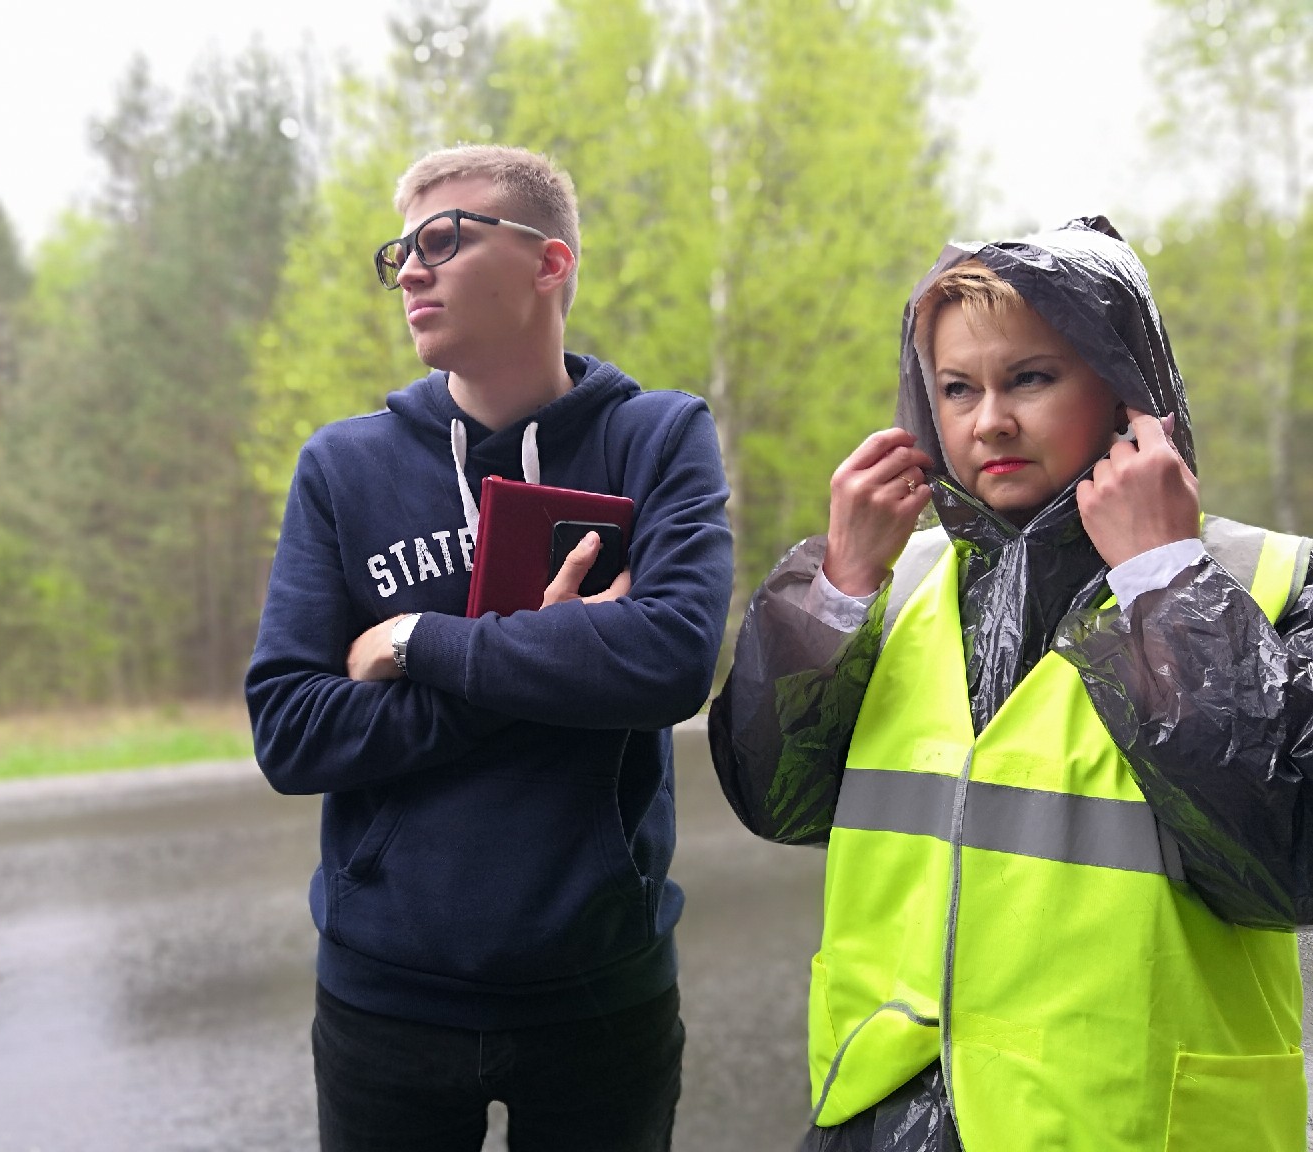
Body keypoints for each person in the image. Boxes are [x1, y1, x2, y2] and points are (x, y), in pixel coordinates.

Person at [709, 217, 1312, 1152]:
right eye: (956, 388)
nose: (987, 420)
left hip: (1131, 1123)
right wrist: (833, 589)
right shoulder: (892, 584)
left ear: (1128, 395)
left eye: (1029, 378)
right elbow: (772, 799)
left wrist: (1166, 585)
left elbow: (1286, 859)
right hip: (887, 1114)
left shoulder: (1264, 582)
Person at [246, 144, 733, 1152]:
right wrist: (558, 652)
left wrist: (417, 640)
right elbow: (292, 733)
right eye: (401, 254)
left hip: (604, 995)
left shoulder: (658, 439)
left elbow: (674, 662)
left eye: (443, 240)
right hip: (387, 1000)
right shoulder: (345, 467)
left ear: (548, 263)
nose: (411, 272)